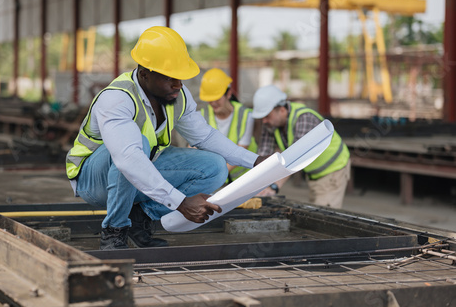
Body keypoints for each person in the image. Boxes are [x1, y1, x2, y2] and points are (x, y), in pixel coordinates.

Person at [66, 26, 267, 250]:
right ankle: (115, 230)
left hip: (138, 167)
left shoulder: (177, 96)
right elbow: (127, 158)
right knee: (137, 145)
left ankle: (139, 220)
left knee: (215, 167)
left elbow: (205, 136)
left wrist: (255, 161)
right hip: (94, 181)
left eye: (180, 78)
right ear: (144, 74)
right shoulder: (117, 99)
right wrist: (180, 203)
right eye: (170, 78)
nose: (178, 85)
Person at [252, 85, 351, 208]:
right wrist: (257, 184)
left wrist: (274, 185)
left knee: (323, 217)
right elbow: (264, 153)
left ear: (282, 110)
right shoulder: (271, 123)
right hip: (314, 174)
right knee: (317, 210)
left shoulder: (304, 118)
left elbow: (297, 157)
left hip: (333, 170)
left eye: (267, 116)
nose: (264, 121)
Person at [198, 68, 257, 183]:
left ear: (229, 94)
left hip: (243, 180)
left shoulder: (245, 115)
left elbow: (241, 150)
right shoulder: (201, 115)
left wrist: (213, 176)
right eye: (209, 100)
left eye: (217, 99)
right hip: (216, 180)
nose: (213, 103)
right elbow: (194, 149)